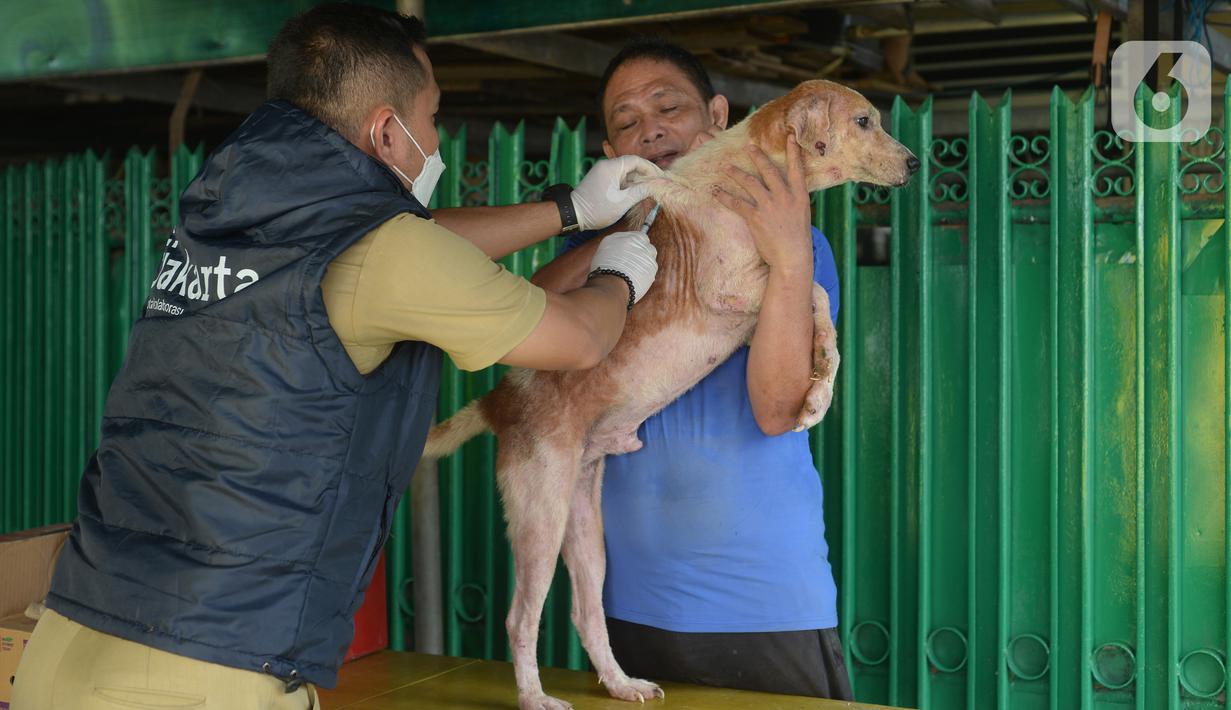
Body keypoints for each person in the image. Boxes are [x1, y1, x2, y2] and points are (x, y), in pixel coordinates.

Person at [11, 5, 659, 709]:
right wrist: (618, 271)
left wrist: (567, 210)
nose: (436, 140)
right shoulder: (385, 252)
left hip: (71, 633)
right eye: (433, 118)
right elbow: (580, 339)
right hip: (200, 670)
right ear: (387, 130)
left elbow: (407, 243)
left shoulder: (228, 201)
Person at [531, 38, 853, 700]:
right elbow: (531, 317)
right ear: (611, 152)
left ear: (715, 116)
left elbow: (776, 407)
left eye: (666, 107)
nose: (648, 128)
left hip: (763, 605)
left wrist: (788, 254)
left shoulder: (784, 243)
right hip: (629, 607)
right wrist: (631, 220)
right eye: (625, 121)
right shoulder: (602, 247)